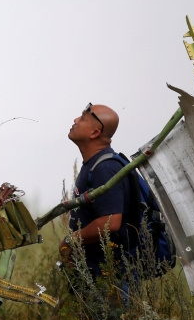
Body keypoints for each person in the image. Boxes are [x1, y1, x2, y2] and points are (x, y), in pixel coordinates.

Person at [58, 103, 139, 278]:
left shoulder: (106, 168)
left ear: (95, 133)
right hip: (95, 272)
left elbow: (110, 222)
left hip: (111, 277)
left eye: (82, 118)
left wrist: (70, 240)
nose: (75, 120)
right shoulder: (94, 165)